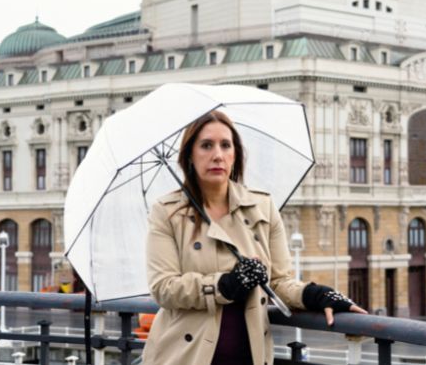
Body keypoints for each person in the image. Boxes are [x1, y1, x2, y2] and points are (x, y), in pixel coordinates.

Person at [142, 111, 366, 365]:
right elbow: (164, 288)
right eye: (206, 145)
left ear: (235, 154)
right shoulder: (167, 211)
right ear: (190, 156)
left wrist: (316, 295)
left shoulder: (262, 206)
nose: (217, 155)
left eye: (225, 145)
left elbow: (279, 281)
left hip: (249, 355)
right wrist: (225, 285)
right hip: (185, 356)